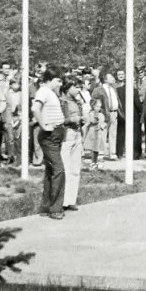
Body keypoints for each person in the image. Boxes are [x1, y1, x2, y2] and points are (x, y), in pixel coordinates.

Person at [33, 67, 66, 220]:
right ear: (49, 79)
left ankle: (46, 206)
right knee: (59, 170)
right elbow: (35, 109)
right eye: (58, 80)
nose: (60, 83)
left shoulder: (50, 93)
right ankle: (55, 208)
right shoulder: (43, 91)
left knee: (50, 171)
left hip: (56, 134)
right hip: (49, 135)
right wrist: (43, 125)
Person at [59, 76, 83, 212]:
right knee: (66, 169)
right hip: (67, 134)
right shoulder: (62, 102)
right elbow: (60, 119)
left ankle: (71, 200)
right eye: (76, 87)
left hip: (77, 134)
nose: (79, 89)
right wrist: (71, 119)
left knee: (75, 169)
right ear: (68, 88)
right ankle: (63, 200)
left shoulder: (78, 102)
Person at [84, 97, 105, 168]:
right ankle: (93, 162)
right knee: (93, 148)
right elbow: (92, 121)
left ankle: (99, 162)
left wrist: (102, 126)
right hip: (92, 133)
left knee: (98, 148)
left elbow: (104, 123)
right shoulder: (91, 114)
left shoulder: (101, 115)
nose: (98, 108)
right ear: (93, 106)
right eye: (96, 106)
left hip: (99, 134)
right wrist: (95, 118)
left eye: (99, 107)